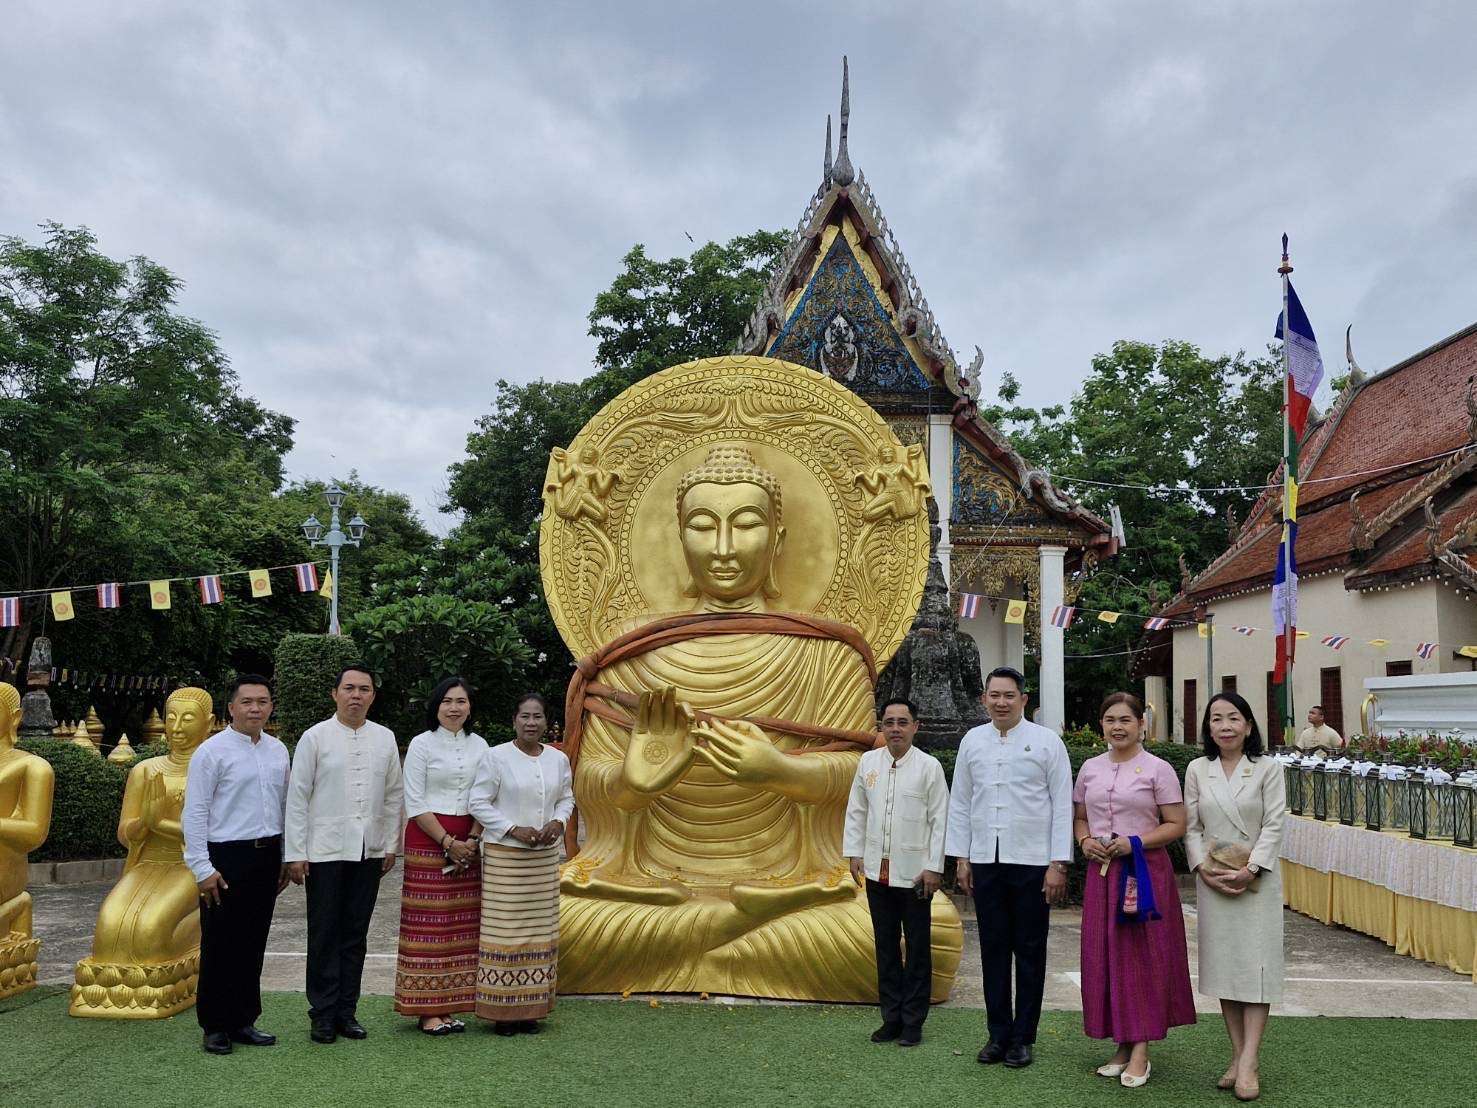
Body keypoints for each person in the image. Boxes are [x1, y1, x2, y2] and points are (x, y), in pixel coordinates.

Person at [946, 667, 1072, 1069]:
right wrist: (961, 858)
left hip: (1033, 862)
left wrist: (1058, 864)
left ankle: (1023, 1037)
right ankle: (997, 1034)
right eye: (994, 695)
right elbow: (961, 802)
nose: (1001, 702)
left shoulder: (1047, 742)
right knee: (993, 949)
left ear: (1024, 699)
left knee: (1030, 950)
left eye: (1009, 695)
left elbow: (1062, 805)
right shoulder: (972, 741)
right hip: (985, 860)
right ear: (983, 699)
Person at [1073, 692, 1195, 1088]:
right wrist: (1084, 840)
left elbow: (1176, 823)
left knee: (1142, 958)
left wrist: (1134, 842)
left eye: (1126, 719)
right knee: (1106, 955)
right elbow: (1079, 816)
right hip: (1102, 874)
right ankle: (1123, 1044)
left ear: (1142, 724)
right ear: (1102, 725)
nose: (1117, 727)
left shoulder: (1158, 769)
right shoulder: (1090, 767)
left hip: (1143, 872)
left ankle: (1141, 1049)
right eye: (1110, 719)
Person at [284, 664, 404, 1045]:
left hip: (368, 850)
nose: (356, 695)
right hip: (323, 850)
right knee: (324, 934)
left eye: (364, 689)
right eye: (349, 688)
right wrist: (295, 853)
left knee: (355, 935)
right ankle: (322, 1014)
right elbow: (297, 797)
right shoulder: (315, 737)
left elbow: (393, 796)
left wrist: (390, 845)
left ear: (372, 695)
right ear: (335, 694)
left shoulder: (385, 738)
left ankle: (346, 1013)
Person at [1184, 691, 1287, 1103]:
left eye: (1233, 718)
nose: (1224, 726)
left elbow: (1276, 824)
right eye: (1216, 719)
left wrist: (1252, 869)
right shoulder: (1196, 768)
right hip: (1214, 879)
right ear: (1208, 727)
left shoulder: (1268, 769)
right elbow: (1190, 827)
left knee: (1256, 971)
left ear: (1248, 724)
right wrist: (1202, 869)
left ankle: (1249, 1062)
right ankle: (1236, 1054)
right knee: (1227, 968)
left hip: (1256, 881)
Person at [182, 675, 291, 1055]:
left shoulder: (279, 750)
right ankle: (215, 1025)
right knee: (220, 943)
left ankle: (244, 1019)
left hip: (266, 855)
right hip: (224, 858)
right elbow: (195, 812)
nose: (255, 708)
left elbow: (283, 806)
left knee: (253, 941)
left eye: (262, 701)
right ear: (231, 707)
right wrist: (201, 867)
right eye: (247, 702)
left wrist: (284, 856)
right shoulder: (211, 752)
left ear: (270, 707)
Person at [843, 697, 948, 1047]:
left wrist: (934, 867)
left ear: (915, 727)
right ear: (881, 727)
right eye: (889, 722)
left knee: (917, 948)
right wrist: (854, 853)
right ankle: (891, 1018)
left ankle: (913, 1021)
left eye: (903, 722)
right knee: (886, 946)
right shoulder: (868, 762)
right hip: (876, 871)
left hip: (916, 874)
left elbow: (939, 820)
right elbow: (857, 810)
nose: (896, 728)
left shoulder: (929, 767)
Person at [468, 693, 573, 1033]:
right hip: (505, 857)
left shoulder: (558, 759)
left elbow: (567, 798)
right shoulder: (495, 757)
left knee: (539, 934)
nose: (531, 723)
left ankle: (531, 1010)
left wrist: (558, 823)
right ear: (514, 721)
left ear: (547, 722)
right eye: (525, 716)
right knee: (507, 933)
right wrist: (513, 829)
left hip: (543, 859)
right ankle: (502, 1012)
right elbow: (478, 802)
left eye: (538, 717)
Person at [394, 677, 487, 1035]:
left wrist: (472, 841)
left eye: (461, 701)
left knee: (459, 927)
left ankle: (449, 1006)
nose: (454, 708)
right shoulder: (421, 744)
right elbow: (415, 801)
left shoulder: (481, 746)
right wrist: (449, 842)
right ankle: (427, 1010)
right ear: (436, 706)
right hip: (428, 839)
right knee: (428, 926)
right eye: (447, 701)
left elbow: (486, 795)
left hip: (471, 841)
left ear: (470, 707)